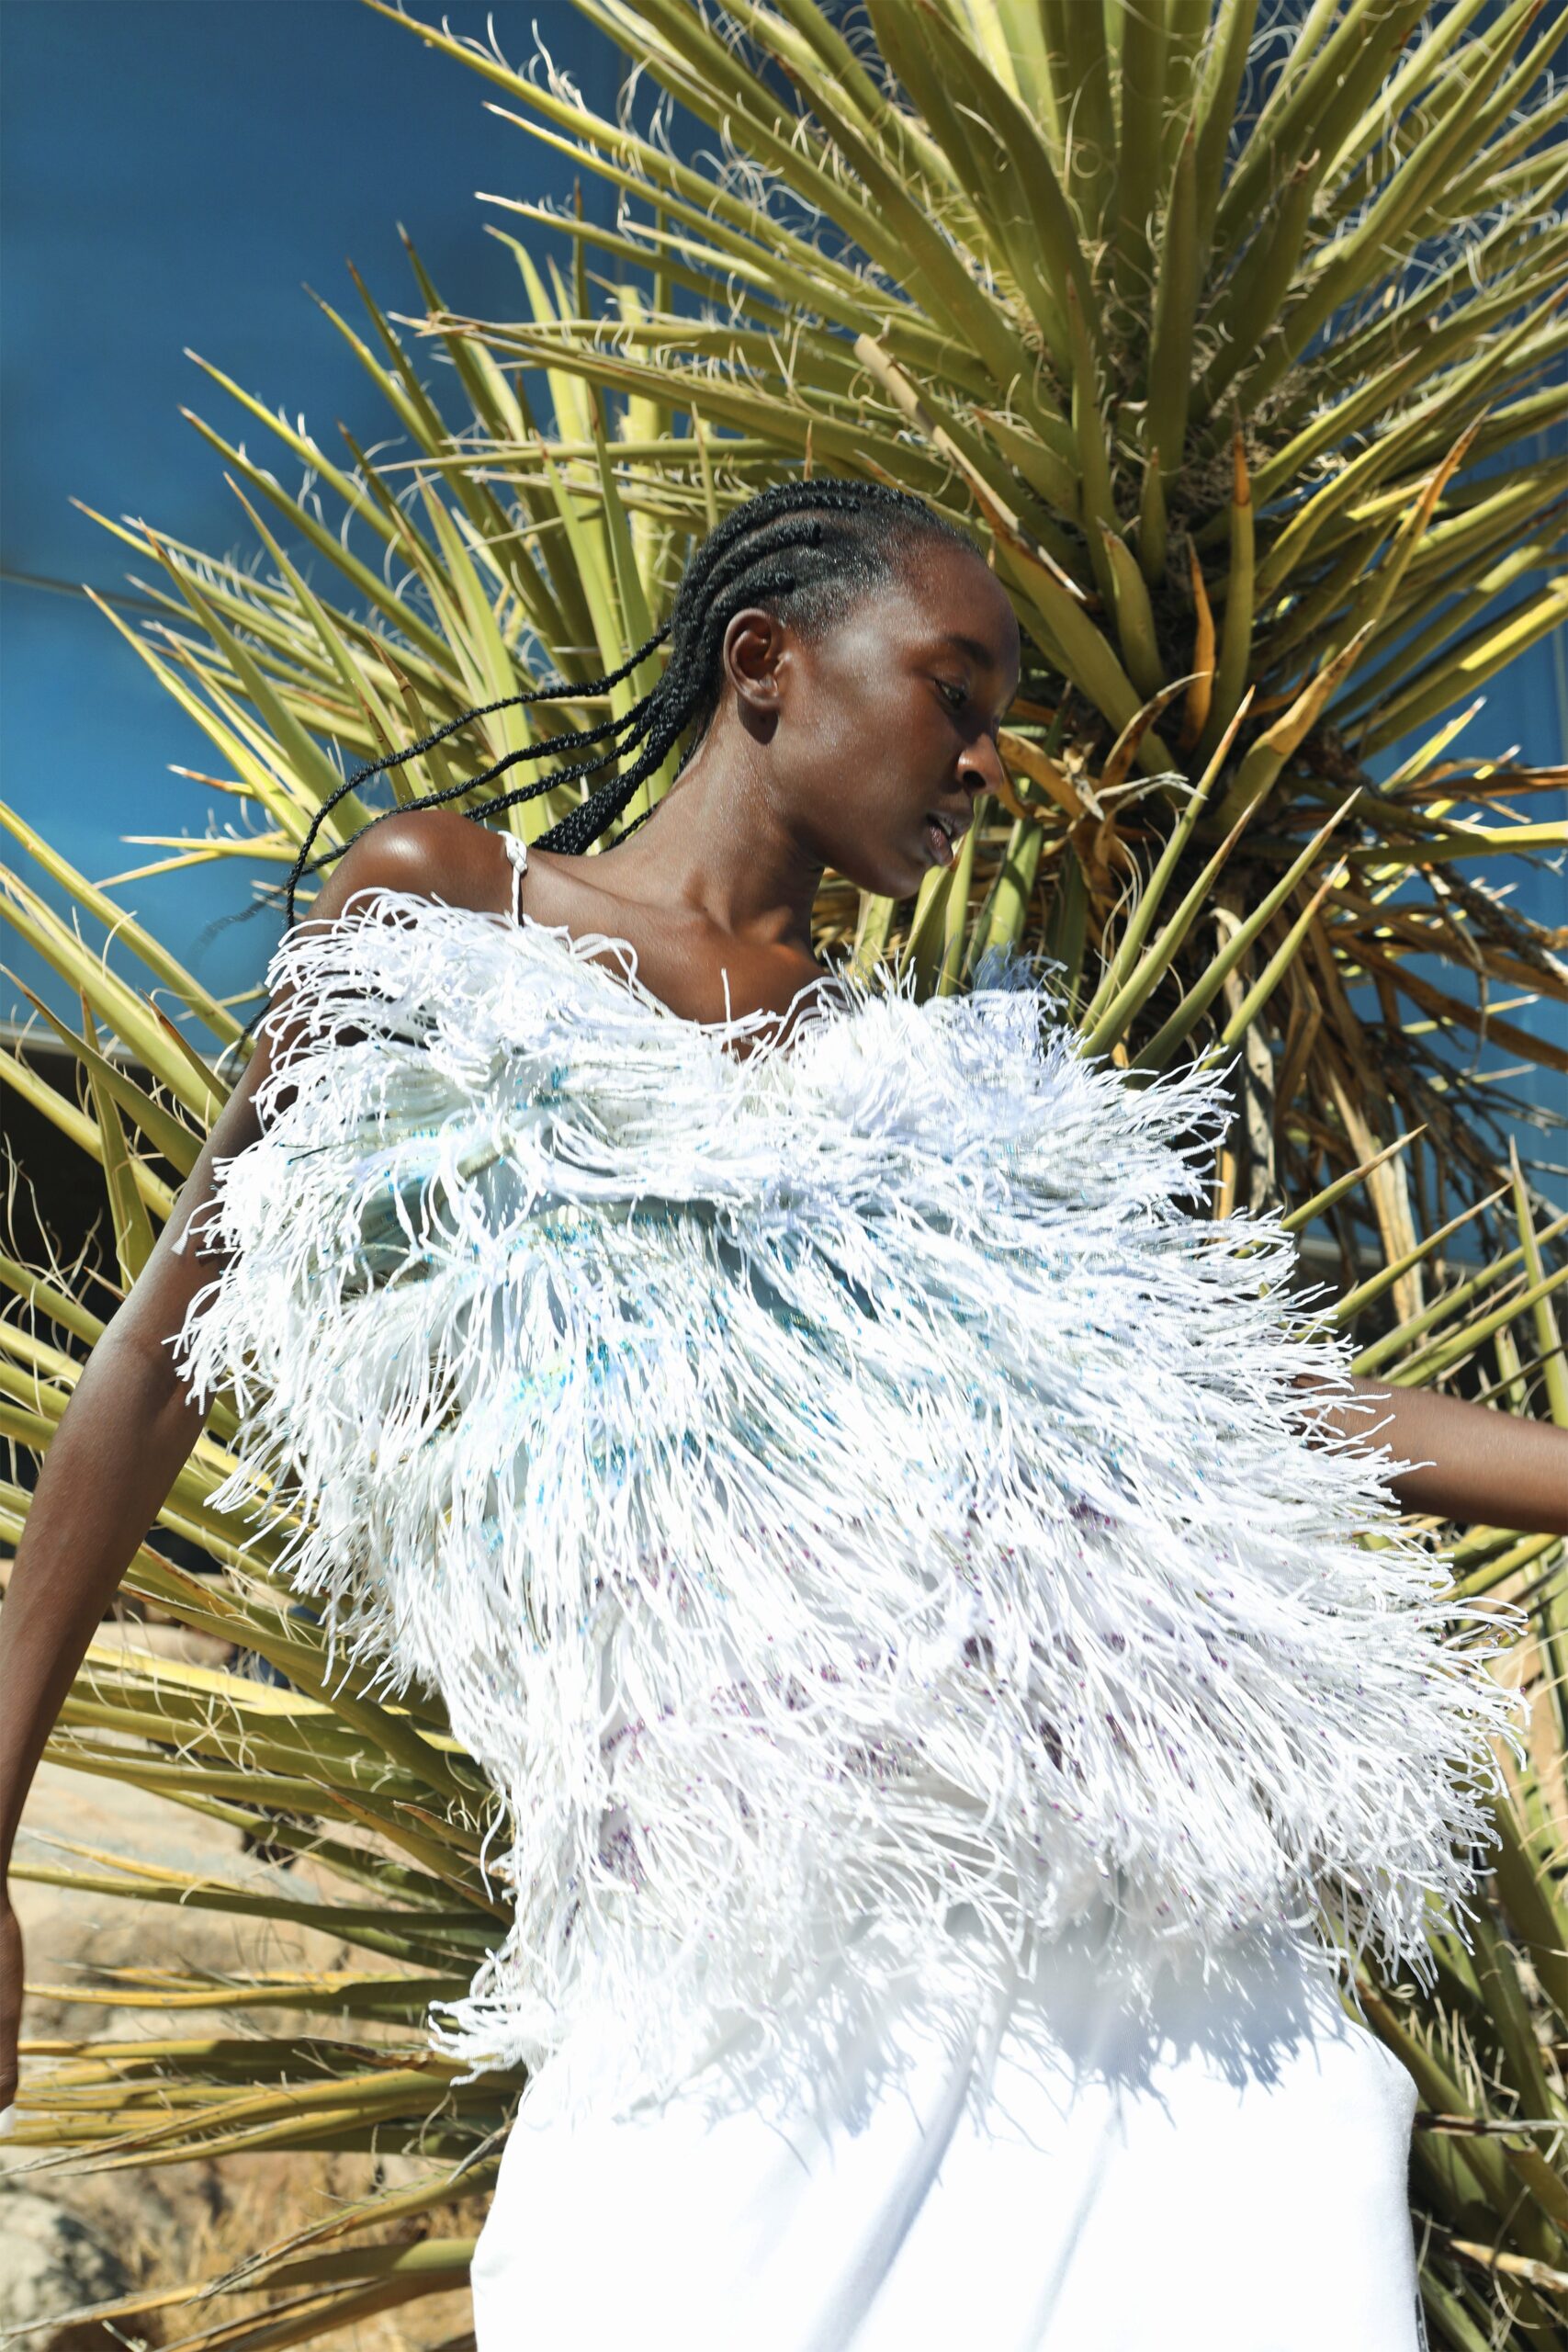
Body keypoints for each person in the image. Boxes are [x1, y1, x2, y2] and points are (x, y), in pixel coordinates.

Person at [1, 478, 1564, 2351]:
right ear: (767, 661)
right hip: (731, 1954)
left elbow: (1228, 1394)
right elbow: (171, 1339)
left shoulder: (936, 1085)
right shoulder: (448, 907)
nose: (986, 758)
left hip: (1105, 1962)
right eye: (952, 691)